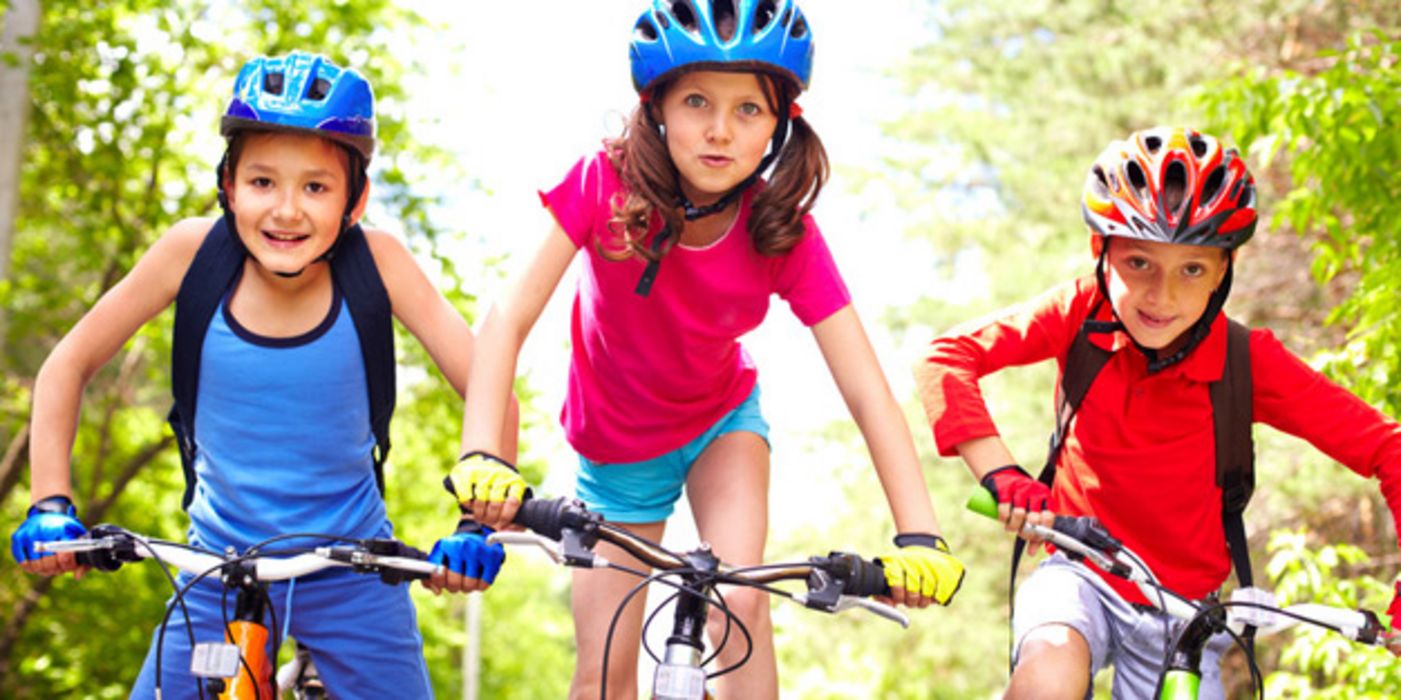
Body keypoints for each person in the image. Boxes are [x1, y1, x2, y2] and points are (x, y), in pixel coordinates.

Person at [448, 1, 966, 698]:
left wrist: (918, 534)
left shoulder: (780, 230)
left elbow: (867, 391)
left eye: (747, 109)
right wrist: (484, 451)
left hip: (720, 423)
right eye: (697, 101)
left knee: (739, 603)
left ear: (780, 121)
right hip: (617, 445)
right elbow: (507, 318)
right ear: (656, 106)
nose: (720, 130)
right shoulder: (603, 182)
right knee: (602, 675)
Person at [9, 51, 514, 699]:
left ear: (354, 199)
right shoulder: (191, 254)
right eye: (262, 182)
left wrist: (477, 523)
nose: (286, 211)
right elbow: (66, 365)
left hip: (351, 572)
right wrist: (51, 504)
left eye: (315, 187)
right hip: (217, 569)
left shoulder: (378, 264)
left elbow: (490, 387)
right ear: (228, 185)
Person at [914, 126, 1401, 699]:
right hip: (1079, 575)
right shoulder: (1079, 313)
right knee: (1048, 676)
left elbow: (1385, 447)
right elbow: (946, 357)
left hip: (1185, 614)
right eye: (1139, 262)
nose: (1161, 296)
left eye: (1191, 269)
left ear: (1224, 269)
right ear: (1103, 251)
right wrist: (1000, 473)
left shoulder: (1247, 361)